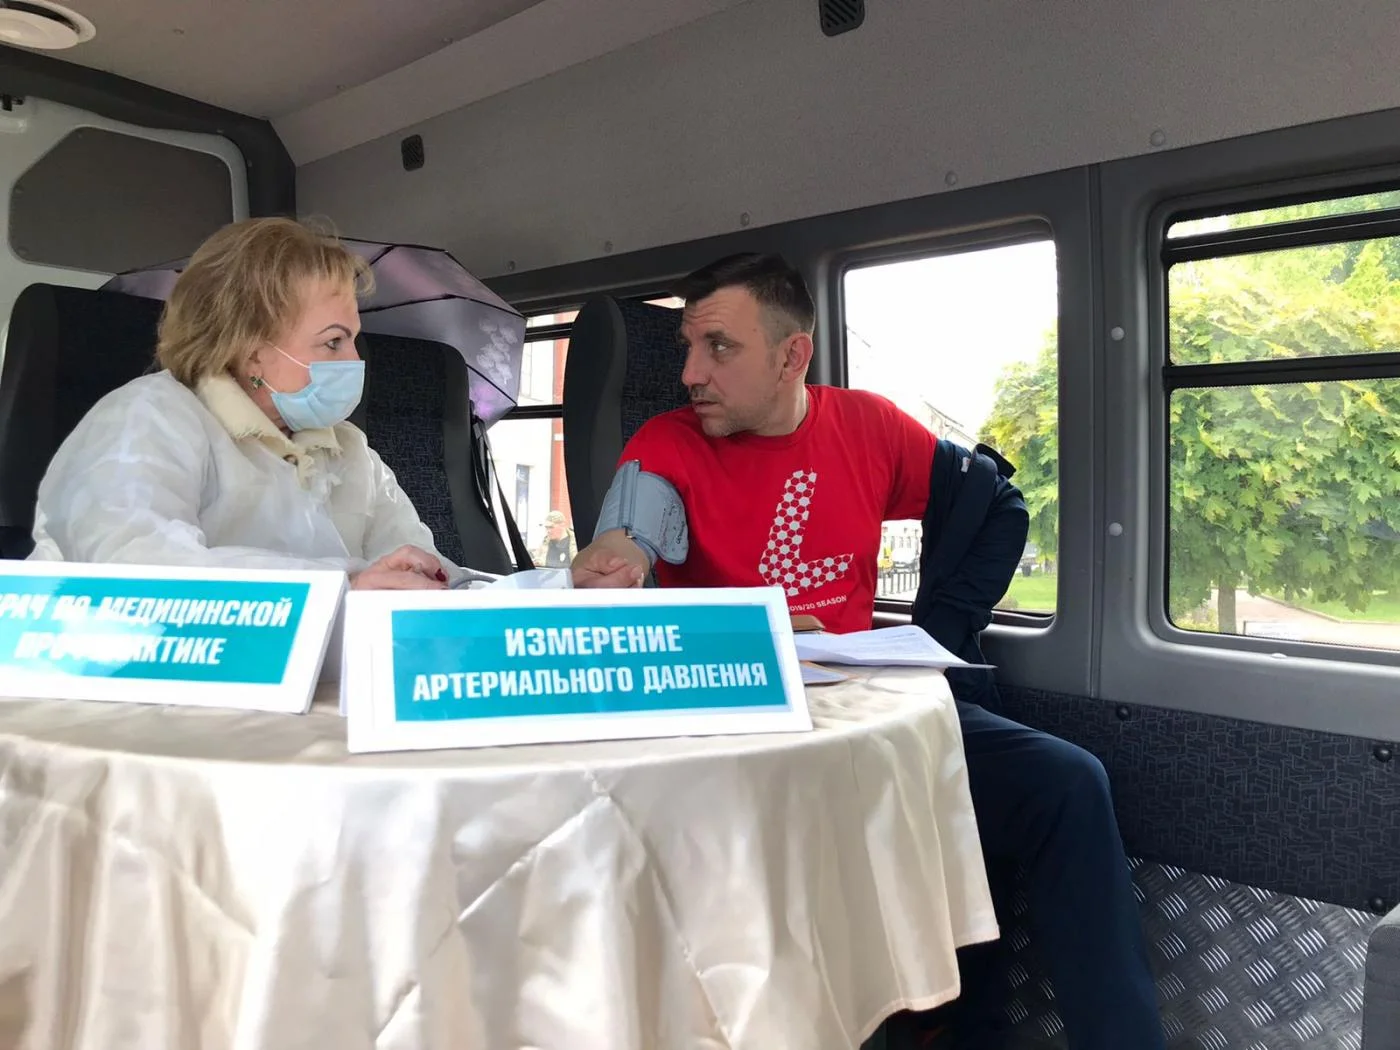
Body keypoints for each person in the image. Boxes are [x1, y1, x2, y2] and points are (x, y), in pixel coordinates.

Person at [571, 253, 1164, 1050]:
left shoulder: (868, 426)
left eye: (719, 347)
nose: (690, 374)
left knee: (1069, 782)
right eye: (687, 347)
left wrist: (943, 629)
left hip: (867, 705)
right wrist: (617, 559)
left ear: (792, 356)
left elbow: (993, 501)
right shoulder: (668, 441)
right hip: (736, 724)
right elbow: (628, 529)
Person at [28, 217, 642, 592]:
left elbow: (431, 578)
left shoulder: (350, 453)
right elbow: (136, 572)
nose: (355, 361)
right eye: (332, 342)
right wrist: (347, 589)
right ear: (249, 348)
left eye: (352, 339)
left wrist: (559, 589)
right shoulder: (147, 419)